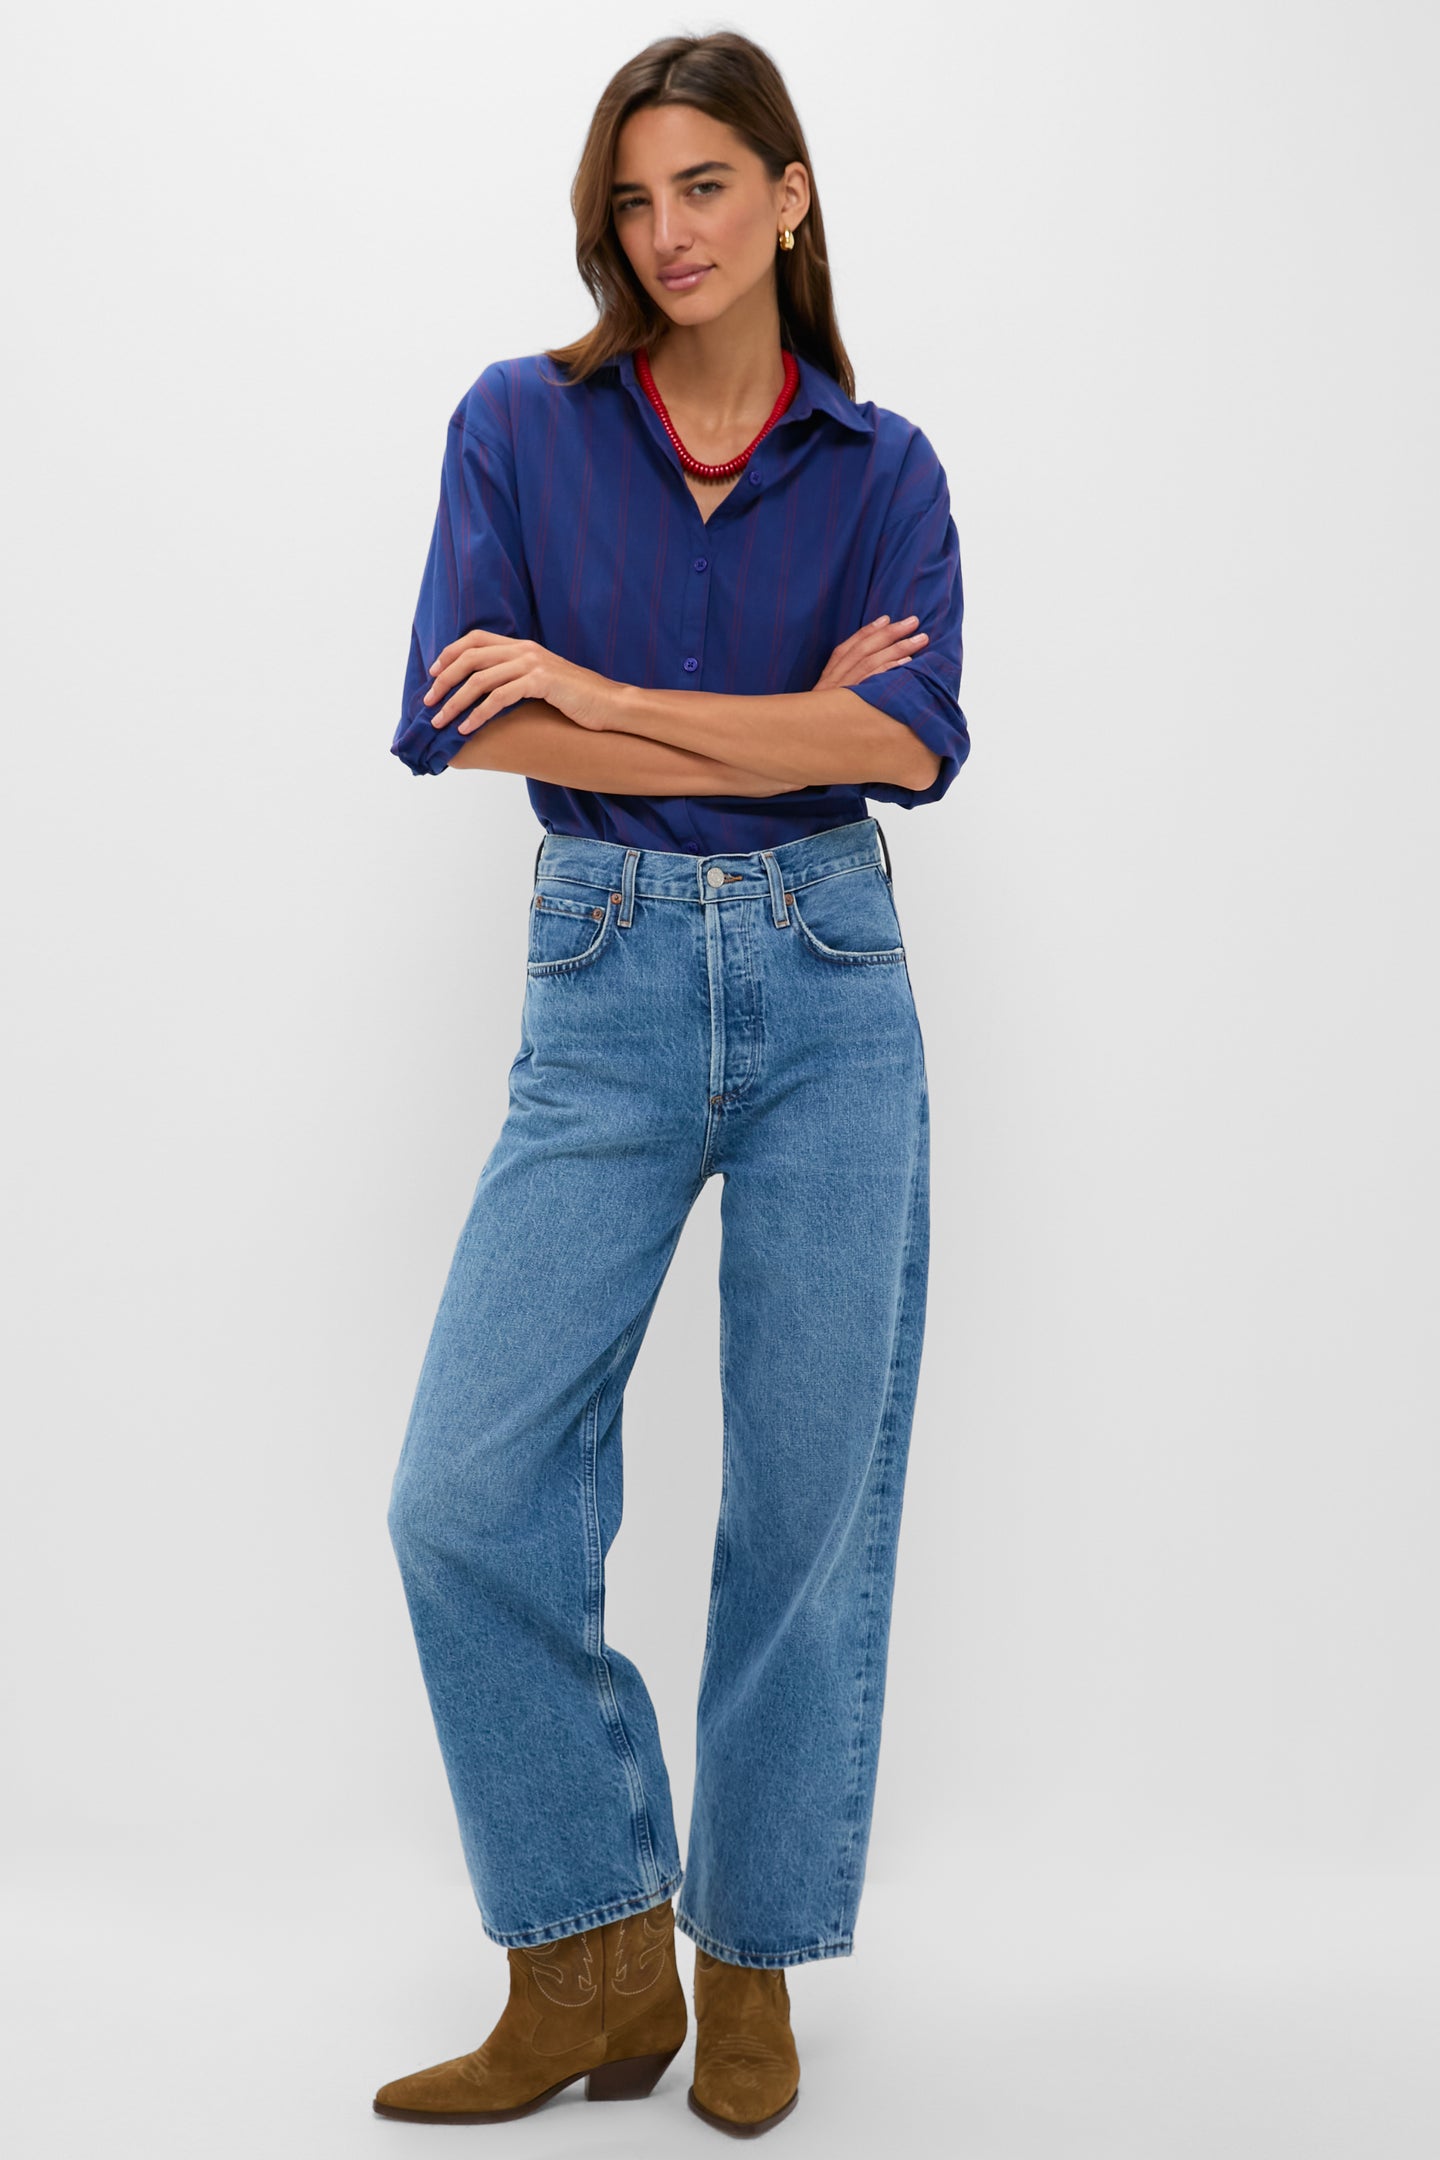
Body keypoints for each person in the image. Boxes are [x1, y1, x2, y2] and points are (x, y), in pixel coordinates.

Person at [374, 28, 970, 2139]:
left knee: (809, 1507)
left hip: (832, 985)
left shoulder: (878, 466)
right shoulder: (517, 428)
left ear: (792, 196)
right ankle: (592, 1950)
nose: (669, 232)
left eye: (708, 185)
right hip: (607, 982)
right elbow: (481, 728)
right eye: (635, 198)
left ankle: (750, 1968)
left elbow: (897, 754)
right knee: (462, 1494)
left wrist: (613, 693)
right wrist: (770, 717)